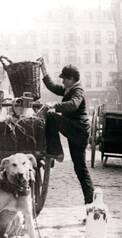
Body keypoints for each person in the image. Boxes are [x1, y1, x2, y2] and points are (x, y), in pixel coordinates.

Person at [38, 58, 95, 211]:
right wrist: (43, 69)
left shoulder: (78, 90)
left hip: (78, 131)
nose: (62, 81)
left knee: (52, 117)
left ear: (71, 79)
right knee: (80, 168)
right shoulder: (69, 89)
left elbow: (73, 105)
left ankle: (55, 151)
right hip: (75, 132)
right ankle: (91, 204)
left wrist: (55, 106)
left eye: (64, 79)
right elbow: (51, 86)